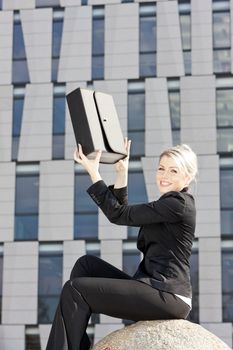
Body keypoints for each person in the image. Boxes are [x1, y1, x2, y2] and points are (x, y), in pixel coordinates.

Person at [46, 140, 198, 350]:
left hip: (169, 295)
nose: (164, 175)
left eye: (173, 171)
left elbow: (118, 214)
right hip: (152, 287)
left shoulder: (178, 204)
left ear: (187, 177)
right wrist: (121, 172)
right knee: (85, 265)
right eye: (161, 168)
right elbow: (122, 212)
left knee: (75, 290)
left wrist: (94, 173)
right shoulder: (169, 205)